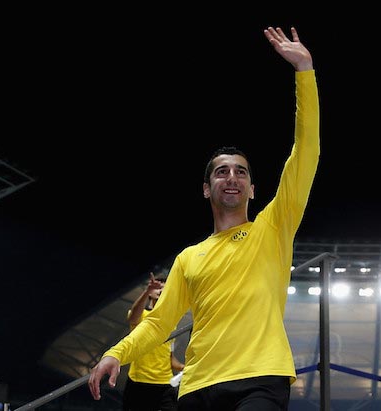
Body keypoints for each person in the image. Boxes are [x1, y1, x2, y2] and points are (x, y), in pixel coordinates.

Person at [89, 25, 318, 411]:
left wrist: (305, 72)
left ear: (252, 190)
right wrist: (117, 353)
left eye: (241, 172)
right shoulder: (188, 258)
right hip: (197, 387)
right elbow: (158, 324)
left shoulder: (273, 227)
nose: (232, 177)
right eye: (222, 171)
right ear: (207, 189)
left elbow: (306, 151)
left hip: (259, 379)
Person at [122, 272, 185, 411]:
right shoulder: (142, 315)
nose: (161, 289)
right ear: (150, 292)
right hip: (139, 382)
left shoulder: (171, 321)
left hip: (165, 382)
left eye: (164, 287)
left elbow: (169, 357)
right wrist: (147, 291)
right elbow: (133, 318)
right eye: (157, 287)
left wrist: (183, 367)